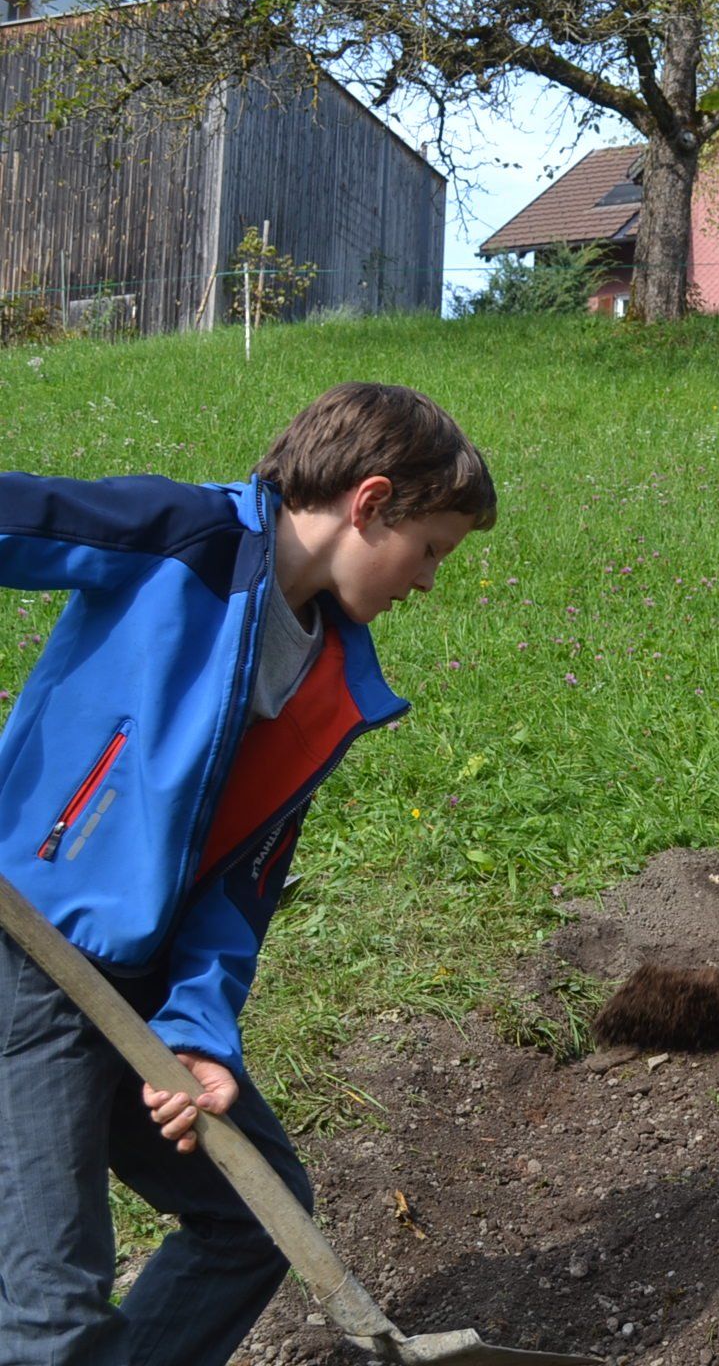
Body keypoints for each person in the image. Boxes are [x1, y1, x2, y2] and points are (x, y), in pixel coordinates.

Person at [0, 382, 493, 1363]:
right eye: (431, 548)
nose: (429, 581)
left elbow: (239, 886)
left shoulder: (331, 680)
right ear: (370, 502)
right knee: (49, 1312)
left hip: (138, 986)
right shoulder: (185, 540)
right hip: (29, 959)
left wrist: (197, 1032)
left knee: (254, 1220)